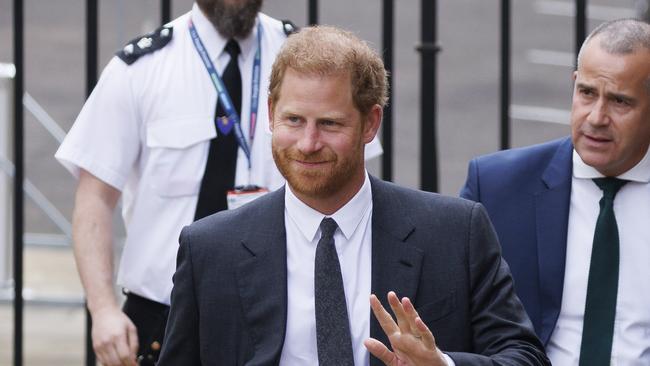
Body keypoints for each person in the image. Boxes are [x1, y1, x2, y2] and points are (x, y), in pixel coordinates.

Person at [158, 25, 549, 366]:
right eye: (294, 120)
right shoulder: (210, 248)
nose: (308, 144)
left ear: (370, 123)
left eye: (329, 124)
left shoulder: (454, 233)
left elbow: (525, 357)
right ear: (272, 111)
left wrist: (442, 365)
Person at [56, 1, 381, 365]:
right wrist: (102, 310)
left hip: (283, 314)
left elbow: (352, 181)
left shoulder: (311, 64)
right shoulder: (140, 69)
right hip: (158, 319)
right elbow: (94, 200)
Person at [461, 19, 650, 365]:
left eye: (620, 102)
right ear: (574, 85)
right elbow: (456, 317)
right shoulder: (496, 188)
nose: (596, 117)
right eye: (588, 93)